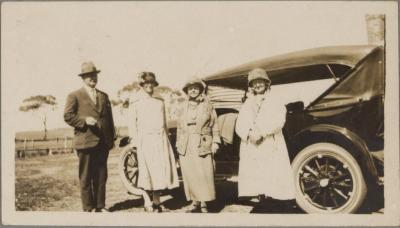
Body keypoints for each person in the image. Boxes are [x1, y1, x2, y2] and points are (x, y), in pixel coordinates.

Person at [235, 68, 295, 202]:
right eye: (254, 83)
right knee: (255, 171)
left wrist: (262, 132)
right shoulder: (247, 102)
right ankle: (259, 196)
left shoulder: (275, 100)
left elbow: (280, 120)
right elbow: (240, 123)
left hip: (269, 140)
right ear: (251, 86)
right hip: (252, 143)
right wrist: (249, 133)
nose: (257, 85)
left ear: (267, 83)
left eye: (260, 82)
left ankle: (272, 199)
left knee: (272, 170)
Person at [64, 61, 115, 212]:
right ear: (83, 78)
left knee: (101, 176)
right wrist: (84, 121)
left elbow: (109, 119)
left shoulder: (103, 96)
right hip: (85, 142)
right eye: (89, 76)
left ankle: (100, 206)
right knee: (86, 176)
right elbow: (67, 116)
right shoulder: (74, 95)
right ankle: (88, 207)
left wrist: (111, 138)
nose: (92, 78)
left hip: (102, 143)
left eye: (94, 75)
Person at [127, 72, 179, 212]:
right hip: (145, 140)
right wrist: (135, 142)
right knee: (145, 172)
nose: (149, 85)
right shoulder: (136, 101)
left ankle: (156, 201)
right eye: (146, 83)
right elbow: (132, 123)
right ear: (142, 85)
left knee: (159, 172)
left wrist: (166, 138)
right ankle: (146, 201)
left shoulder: (159, 100)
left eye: (151, 83)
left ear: (154, 84)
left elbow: (164, 122)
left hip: (160, 139)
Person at [176, 77, 220, 213]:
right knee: (190, 173)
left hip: (202, 141)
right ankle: (194, 202)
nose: (193, 90)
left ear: (200, 90)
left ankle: (204, 203)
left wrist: (216, 142)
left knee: (203, 173)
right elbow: (179, 127)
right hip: (186, 142)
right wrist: (178, 144)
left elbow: (215, 124)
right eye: (190, 88)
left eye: (195, 88)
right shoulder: (182, 106)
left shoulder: (208, 105)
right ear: (187, 91)